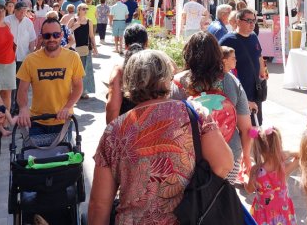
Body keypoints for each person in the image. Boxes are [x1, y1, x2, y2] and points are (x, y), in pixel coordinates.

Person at [89, 50, 234, 224]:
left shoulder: (114, 131)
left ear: (129, 82)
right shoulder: (194, 113)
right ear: (167, 79)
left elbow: (99, 204)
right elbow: (224, 164)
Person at [174, 31, 254, 183]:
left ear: (188, 53)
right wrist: (247, 157)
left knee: (191, 203)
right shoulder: (231, 81)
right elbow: (246, 128)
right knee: (222, 200)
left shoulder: (177, 82)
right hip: (228, 154)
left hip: (189, 157)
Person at [16, 18, 85, 138]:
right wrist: (23, 108)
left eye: (56, 35)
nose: (52, 39)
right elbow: (22, 90)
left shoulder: (73, 57)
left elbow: (78, 87)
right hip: (37, 121)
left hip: (63, 120)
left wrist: (67, 107)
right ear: (42, 37)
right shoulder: (30, 60)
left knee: (63, 156)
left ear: (61, 35)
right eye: (47, 36)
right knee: (35, 156)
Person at [219, 8, 267, 127]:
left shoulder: (253, 37)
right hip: (238, 90)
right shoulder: (228, 40)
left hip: (254, 88)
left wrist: (263, 72)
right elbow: (219, 65)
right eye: (248, 21)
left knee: (256, 124)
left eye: (254, 21)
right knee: (243, 128)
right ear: (238, 21)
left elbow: (259, 56)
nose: (252, 24)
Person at [245, 126, 299, 225]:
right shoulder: (284, 169)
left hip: (262, 214)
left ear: (259, 148)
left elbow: (249, 190)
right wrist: (290, 153)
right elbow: (302, 156)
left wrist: (246, 182)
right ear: (279, 145)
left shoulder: (255, 170)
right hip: (283, 213)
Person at [105, 24, 149, 124]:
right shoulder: (160, 65)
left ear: (125, 45)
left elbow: (113, 108)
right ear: (147, 43)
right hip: (156, 128)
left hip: (128, 128)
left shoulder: (119, 70)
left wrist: (111, 134)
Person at [5, 2, 37, 114]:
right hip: (9, 57)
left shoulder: (28, 22)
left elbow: (32, 39)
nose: (23, 13)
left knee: (20, 84)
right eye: (21, 11)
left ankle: (18, 107)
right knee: (10, 84)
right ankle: (10, 108)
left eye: (25, 11)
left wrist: (32, 53)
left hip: (23, 56)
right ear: (16, 10)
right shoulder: (7, 20)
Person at [68, 3, 97, 99]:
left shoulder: (89, 21)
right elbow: (66, 32)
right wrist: (74, 27)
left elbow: (91, 36)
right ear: (79, 10)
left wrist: (95, 48)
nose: (85, 10)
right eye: (83, 9)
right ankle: (73, 90)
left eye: (86, 9)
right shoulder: (73, 20)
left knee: (84, 71)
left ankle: (83, 91)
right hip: (73, 49)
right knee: (73, 71)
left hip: (85, 49)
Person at [0, 3, 16, 117]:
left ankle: (5, 121)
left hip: (9, 63)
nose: (1, 13)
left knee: (7, 94)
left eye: (3, 11)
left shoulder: (8, 25)